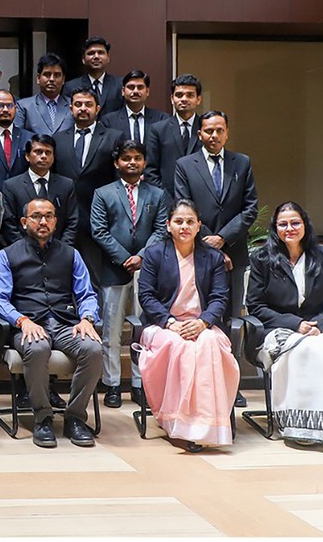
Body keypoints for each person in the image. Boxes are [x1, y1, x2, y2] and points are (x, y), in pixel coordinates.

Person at [246, 202, 323, 447]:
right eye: (283, 224)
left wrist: (320, 325)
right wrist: (297, 324)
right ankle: (302, 425)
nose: (289, 228)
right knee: (307, 349)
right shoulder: (262, 258)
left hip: (319, 326)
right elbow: (256, 306)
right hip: (280, 329)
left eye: (295, 223)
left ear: (305, 225)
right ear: (275, 228)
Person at [0, 198, 102, 449]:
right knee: (37, 348)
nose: (43, 221)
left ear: (55, 221)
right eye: (37, 216)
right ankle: (43, 418)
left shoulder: (71, 254)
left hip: (65, 322)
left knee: (93, 349)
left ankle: (75, 417)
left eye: (49, 216)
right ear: (24, 221)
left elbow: (87, 295)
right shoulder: (7, 255)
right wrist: (22, 320)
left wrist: (87, 318)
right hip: (27, 324)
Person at [135, 198, 238, 450]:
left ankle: (209, 424)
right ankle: (177, 424)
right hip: (163, 326)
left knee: (209, 345)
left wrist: (203, 323)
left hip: (201, 324)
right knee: (180, 347)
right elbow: (146, 296)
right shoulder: (155, 254)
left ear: (199, 225)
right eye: (178, 221)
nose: (184, 226)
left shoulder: (212, 257)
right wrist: (170, 323)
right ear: (168, 225)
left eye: (190, 221)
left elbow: (219, 297)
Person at [89, 139, 170, 408]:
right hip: (114, 269)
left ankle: (139, 383)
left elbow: (161, 230)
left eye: (137, 158)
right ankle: (112, 383)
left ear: (144, 162)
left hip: (148, 270)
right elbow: (98, 230)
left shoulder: (157, 195)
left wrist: (142, 257)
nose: (132, 162)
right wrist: (125, 258)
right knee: (111, 330)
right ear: (117, 163)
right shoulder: (103, 193)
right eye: (126, 158)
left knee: (142, 329)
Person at [174, 109, 258, 323]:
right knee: (200, 313)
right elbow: (184, 209)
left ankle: (230, 356)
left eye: (219, 130)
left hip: (234, 252)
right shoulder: (184, 165)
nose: (214, 135)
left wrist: (222, 238)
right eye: (209, 131)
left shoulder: (242, 162)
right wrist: (209, 243)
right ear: (199, 134)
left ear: (227, 133)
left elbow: (250, 208)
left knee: (232, 316)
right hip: (197, 251)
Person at [53, 86, 125, 286]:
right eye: (78, 104)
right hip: (64, 216)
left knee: (96, 274)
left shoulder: (114, 137)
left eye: (88, 105)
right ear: (70, 109)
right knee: (62, 272)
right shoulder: (58, 139)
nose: (83, 109)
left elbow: (118, 178)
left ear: (98, 108)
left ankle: (98, 316)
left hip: (99, 216)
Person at [0, 134, 78, 249]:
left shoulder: (66, 185)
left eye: (48, 152)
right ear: (27, 156)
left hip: (59, 252)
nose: (43, 156)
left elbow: (72, 222)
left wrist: (61, 250)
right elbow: (8, 224)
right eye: (38, 152)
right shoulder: (11, 186)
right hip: (22, 253)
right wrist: (25, 250)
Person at [148, 74, 204, 196]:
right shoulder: (158, 130)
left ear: (198, 99)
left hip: (201, 201)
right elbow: (150, 170)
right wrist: (166, 199)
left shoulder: (206, 129)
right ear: (172, 99)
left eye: (190, 95)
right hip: (166, 201)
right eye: (179, 95)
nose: (184, 99)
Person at [61, 36, 124, 114]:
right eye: (91, 53)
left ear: (108, 58)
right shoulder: (70, 87)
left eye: (100, 53)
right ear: (83, 59)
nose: (96, 57)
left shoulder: (120, 85)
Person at [16, 53, 73, 136]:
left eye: (57, 75)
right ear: (38, 78)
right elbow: (19, 139)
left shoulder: (73, 105)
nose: (52, 79)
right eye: (47, 74)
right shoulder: (23, 106)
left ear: (63, 79)